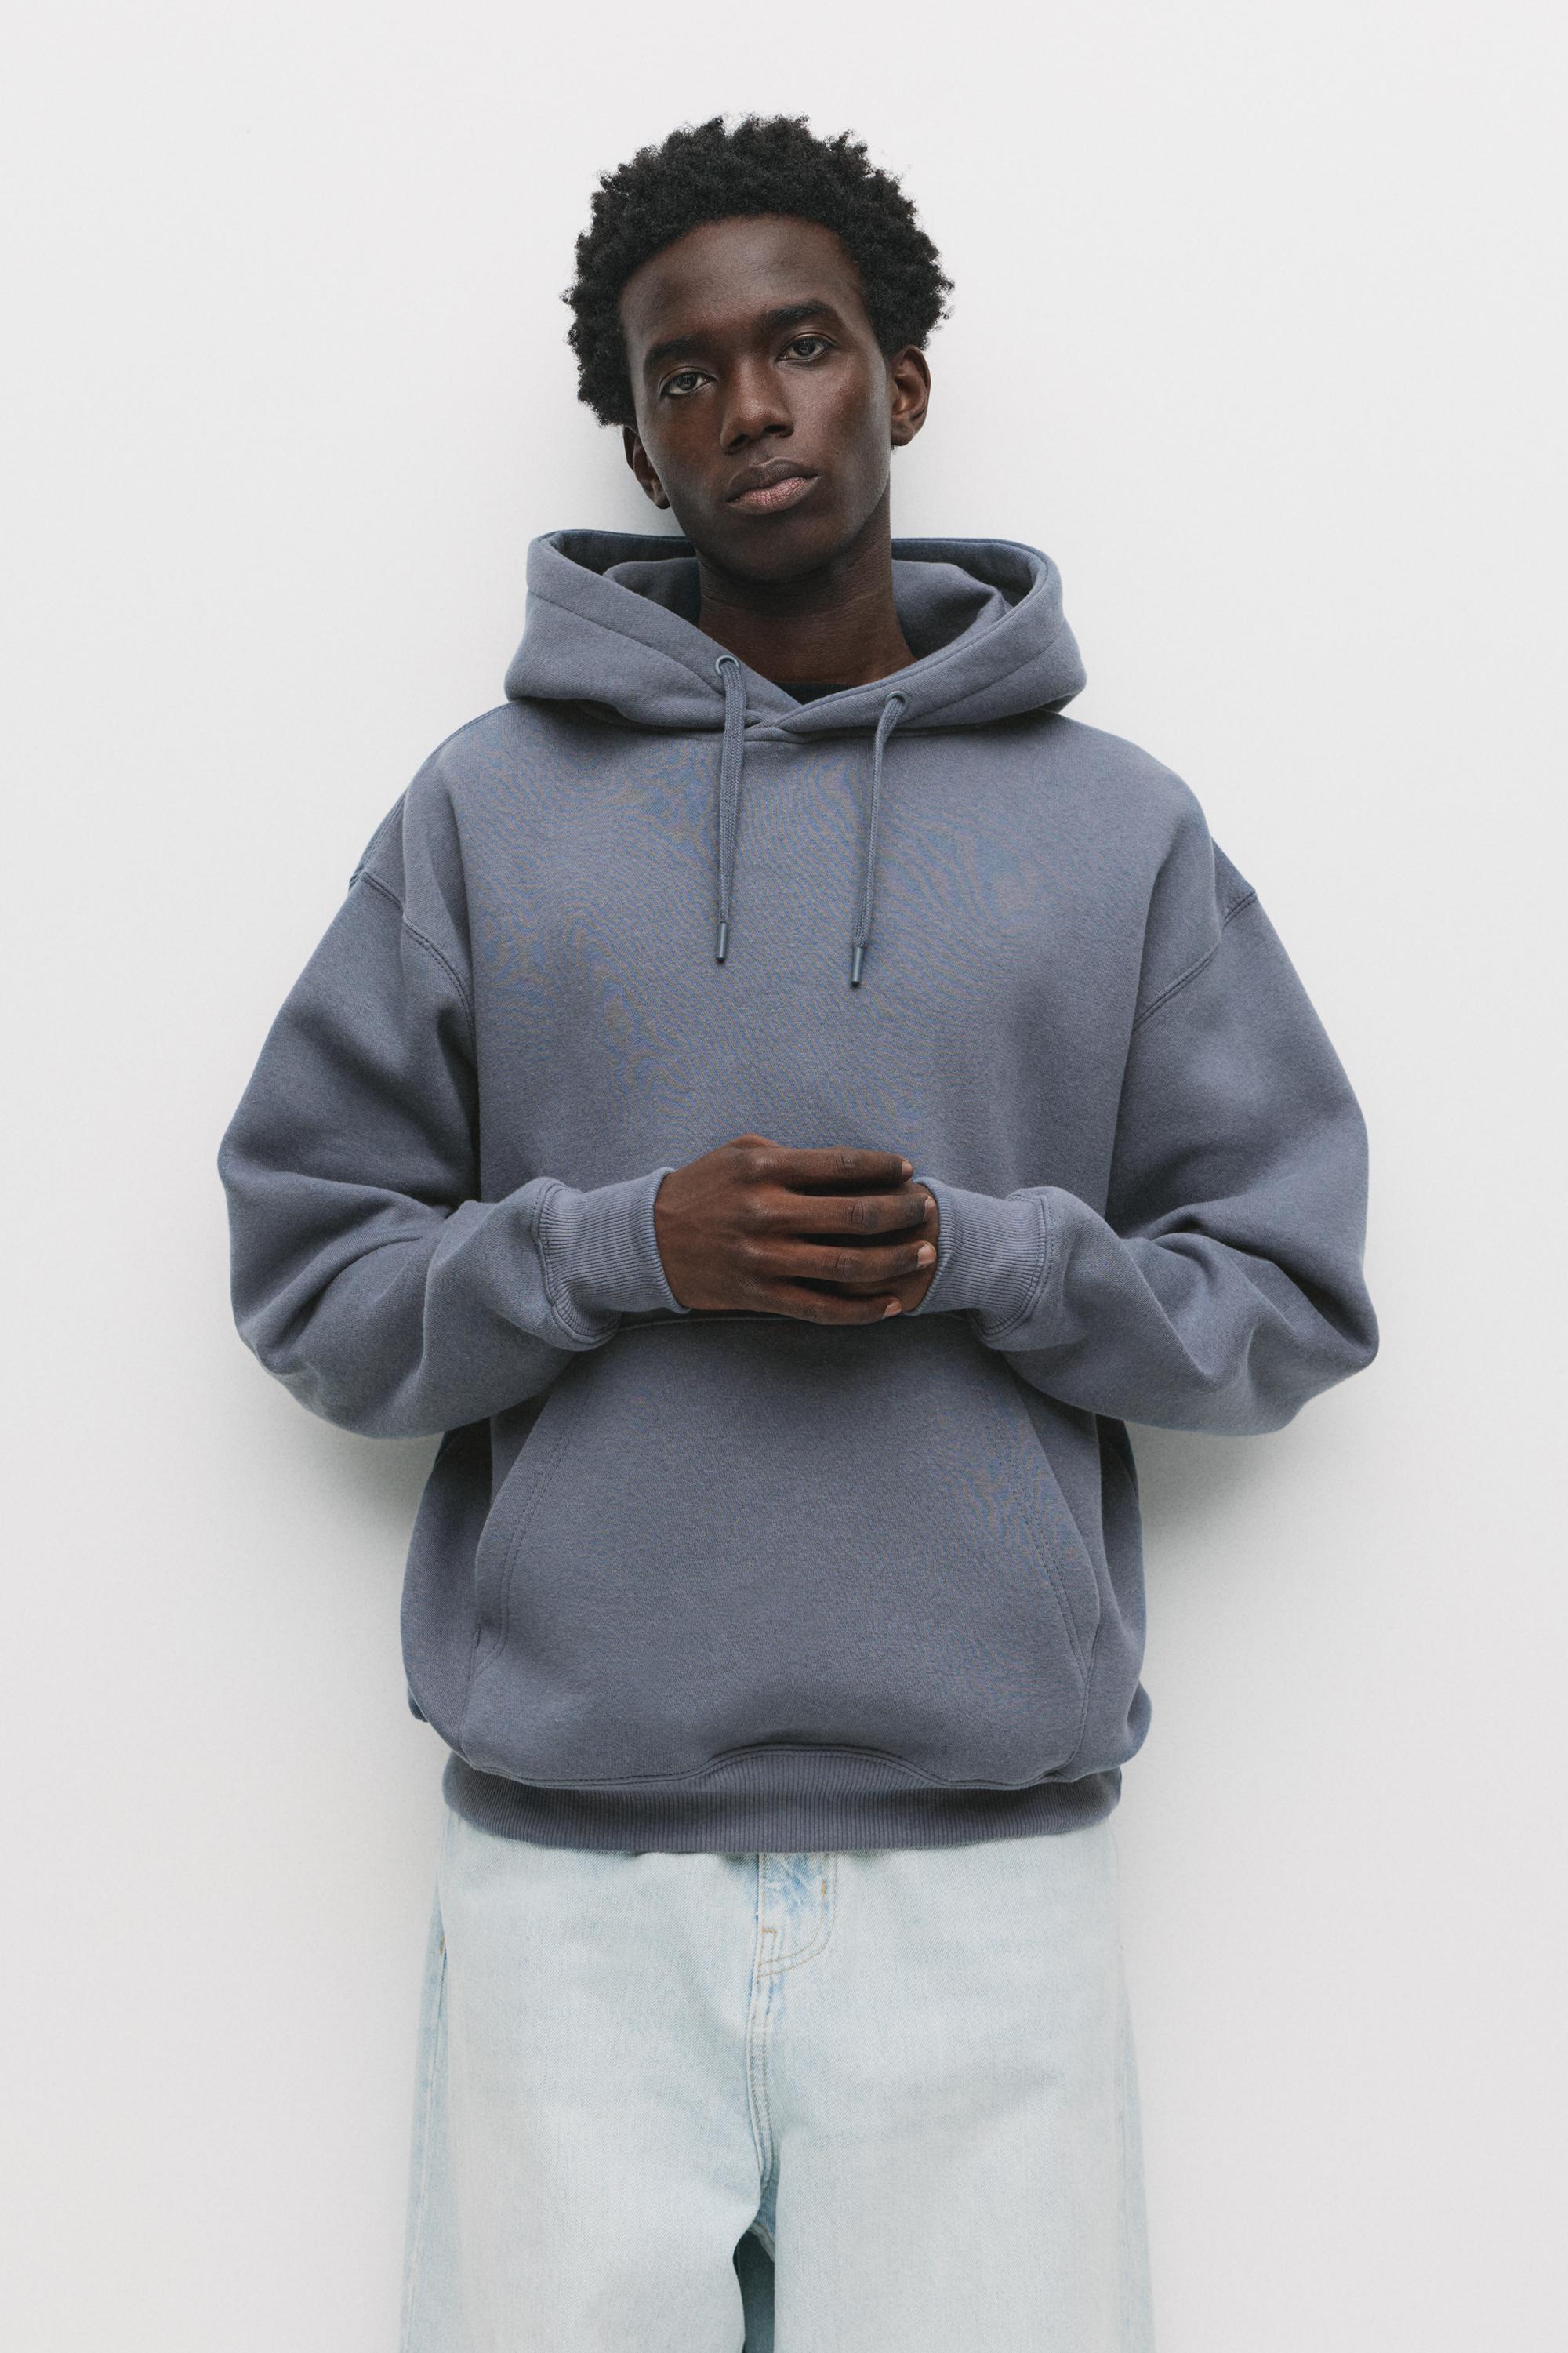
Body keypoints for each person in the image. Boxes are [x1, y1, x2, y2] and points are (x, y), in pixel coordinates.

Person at [218, 112, 1378, 2353]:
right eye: (686, 375)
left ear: (903, 381)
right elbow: (313, 1279)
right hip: (573, 1870)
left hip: (988, 1870)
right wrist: (622, 1246)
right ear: (640, 441)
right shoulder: (481, 814)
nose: (751, 407)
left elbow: (1290, 1291)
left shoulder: (1118, 833)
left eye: (805, 347)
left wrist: (996, 1260)